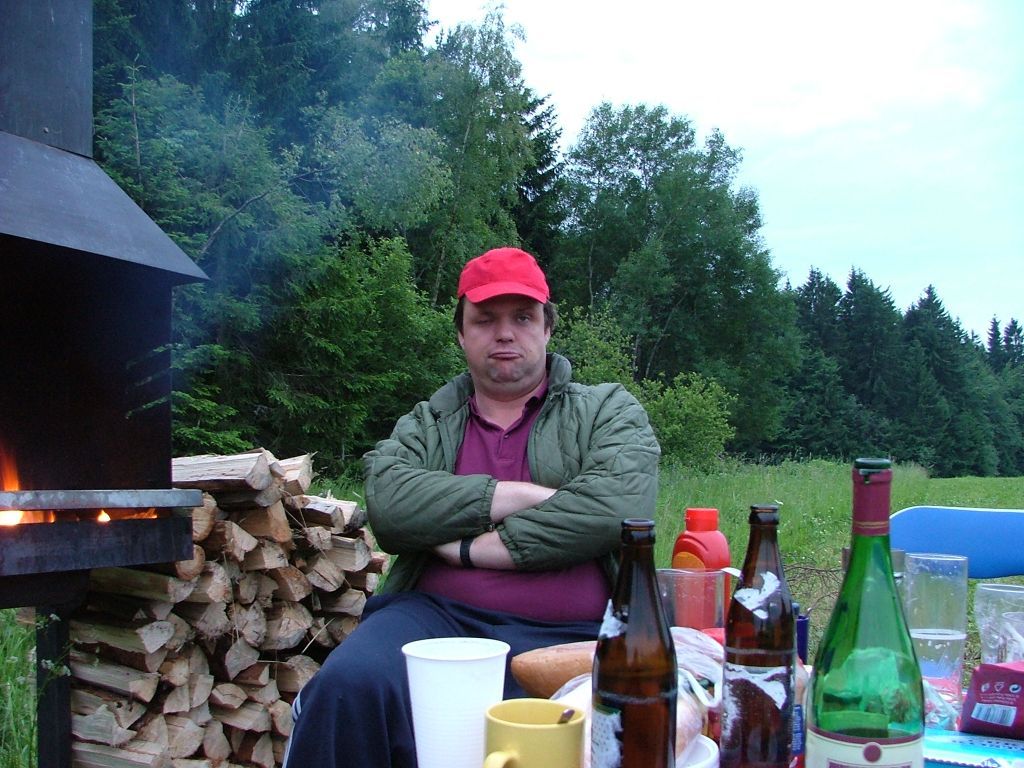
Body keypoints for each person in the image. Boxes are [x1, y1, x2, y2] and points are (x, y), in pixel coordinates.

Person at [283, 246, 660, 767]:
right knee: (347, 683)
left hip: (576, 634)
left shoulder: (606, 409)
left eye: (522, 317)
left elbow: (617, 509)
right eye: (485, 319)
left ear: (548, 329)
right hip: (432, 620)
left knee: (610, 728)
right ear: (462, 334)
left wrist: (468, 549)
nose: (504, 333)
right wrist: (516, 494)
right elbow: (390, 504)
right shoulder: (428, 422)